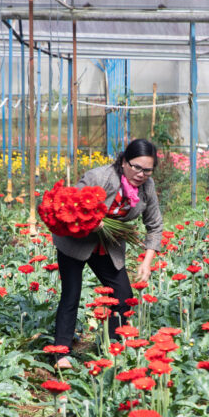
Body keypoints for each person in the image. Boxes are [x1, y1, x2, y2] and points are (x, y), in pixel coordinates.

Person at [51, 139, 164, 358]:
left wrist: (147, 263)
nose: (141, 174)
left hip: (107, 245)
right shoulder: (100, 178)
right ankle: (61, 353)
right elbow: (70, 207)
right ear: (124, 161)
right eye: (136, 167)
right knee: (71, 294)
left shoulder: (146, 188)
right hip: (75, 241)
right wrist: (92, 220)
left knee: (123, 296)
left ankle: (110, 348)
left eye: (147, 170)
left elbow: (155, 225)